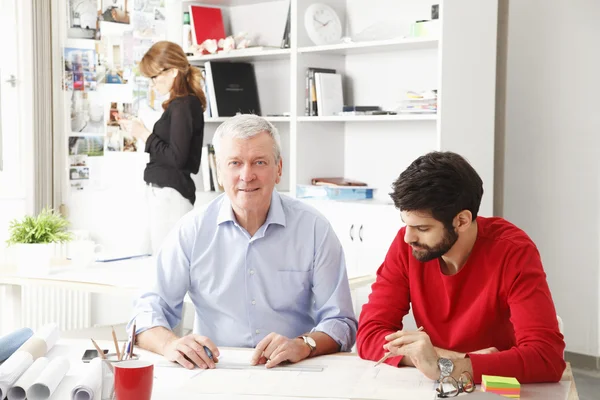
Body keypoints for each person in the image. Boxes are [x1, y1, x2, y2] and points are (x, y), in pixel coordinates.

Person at [128, 114, 357, 370]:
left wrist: (304, 344)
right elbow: (146, 313)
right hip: (213, 370)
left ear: (278, 169)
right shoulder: (191, 230)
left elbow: (341, 322)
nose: (247, 176)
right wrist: (170, 344)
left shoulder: (314, 229)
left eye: (259, 162)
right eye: (235, 163)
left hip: (293, 369)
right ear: (220, 171)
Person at [357, 151, 565, 384]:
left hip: (499, 384)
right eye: (406, 224)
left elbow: (546, 359)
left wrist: (443, 367)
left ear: (462, 221)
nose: (408, 238)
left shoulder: (513, 251)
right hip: (449, 381)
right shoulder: (408, 246)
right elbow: (369, 334)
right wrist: (448, 361)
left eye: (423, 228)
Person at [121, 41, 205, 254]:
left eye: (155, 77)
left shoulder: (183, 106)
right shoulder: (179, 105)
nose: (152, 84)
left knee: (164, 262)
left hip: (170, 196)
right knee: (151, 261)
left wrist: (143, 134)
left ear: (174, 71)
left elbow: (177, 158)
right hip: (163, 194)